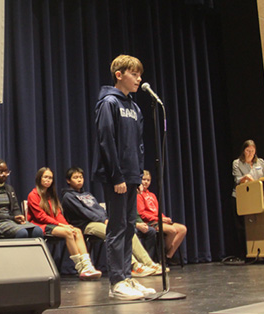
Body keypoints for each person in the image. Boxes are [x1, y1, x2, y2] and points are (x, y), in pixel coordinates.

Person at [91, 54, 155, 300]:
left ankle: (128, 277)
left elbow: (138, 145)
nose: (139, 79)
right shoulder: (109, 103)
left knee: (130, 227)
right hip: (115, 177)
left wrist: (137, 176)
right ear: (119, 75)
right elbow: (106, 141)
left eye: (140, 75)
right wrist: (117, 176)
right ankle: (116, 282)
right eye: (134, 74)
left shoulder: (135, 107)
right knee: (117, 228)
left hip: (131, 177)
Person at [60, 167, 162, 277]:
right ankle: (133, 266)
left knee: (126, 230)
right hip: (85, 225)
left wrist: (108, 218)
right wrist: (104, 220)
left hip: (101, 221)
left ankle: (148, 263)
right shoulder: (68, 196)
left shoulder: (88, 194)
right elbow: (84, 212)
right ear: (68, 181)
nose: (79, 180)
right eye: (75, 178)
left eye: (81, 177)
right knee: (112, 232)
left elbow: (99, 209)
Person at [27, 167, 102, 280]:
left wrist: (66, 224)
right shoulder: (33, 195)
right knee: (68, 233)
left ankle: (88, 265)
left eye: (50, 178)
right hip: (40, 225)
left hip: (54, 224)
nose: (48, 180)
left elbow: (58, 214)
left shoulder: (51, 196)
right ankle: (80, 268)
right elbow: (40, 217)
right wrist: (61, 225)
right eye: (45, 177)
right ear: (39, 178)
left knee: (76, 231)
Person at [0, 158, 43, 238]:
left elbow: (15, 208)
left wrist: (19, 217)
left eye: (6, 172)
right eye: (0, 172)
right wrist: (12, 218)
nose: (4, 174)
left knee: (37, 231)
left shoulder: (9, 188)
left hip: (11, 220)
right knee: (22, 233)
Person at [137, 170, 187, 262]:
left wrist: (164, 218)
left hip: (158, 219)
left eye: (148, 180)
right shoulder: (138, 195)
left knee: (182, 229)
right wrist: (158, 219)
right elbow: (142, 214)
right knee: (172, 231)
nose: (146, 182)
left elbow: (157, 211)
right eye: (144, 179)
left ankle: (168, 256)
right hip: (150, 222)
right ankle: (162, 255)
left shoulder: (152, 195)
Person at [231, 139, 264, 257]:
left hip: (258, 197)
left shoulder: (260, 162)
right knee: (242, 227)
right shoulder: (237, 163)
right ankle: (245, 253)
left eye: (252, 151)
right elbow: (237, 180)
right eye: (248, 151)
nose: (250, 153)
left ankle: (261, 250)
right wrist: (246, 178)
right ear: (243, 151)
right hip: (242, 198)